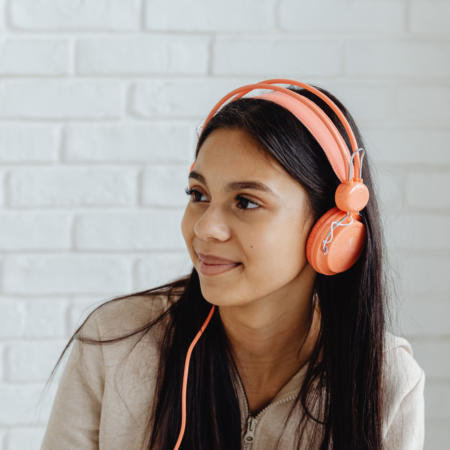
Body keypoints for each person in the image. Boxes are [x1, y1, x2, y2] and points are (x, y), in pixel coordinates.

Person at [40, 82, 425, 450]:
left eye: (246, 201)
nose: (204, 227)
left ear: (331, 227)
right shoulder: (116, 341)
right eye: (198, 194)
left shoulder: (387, 383)